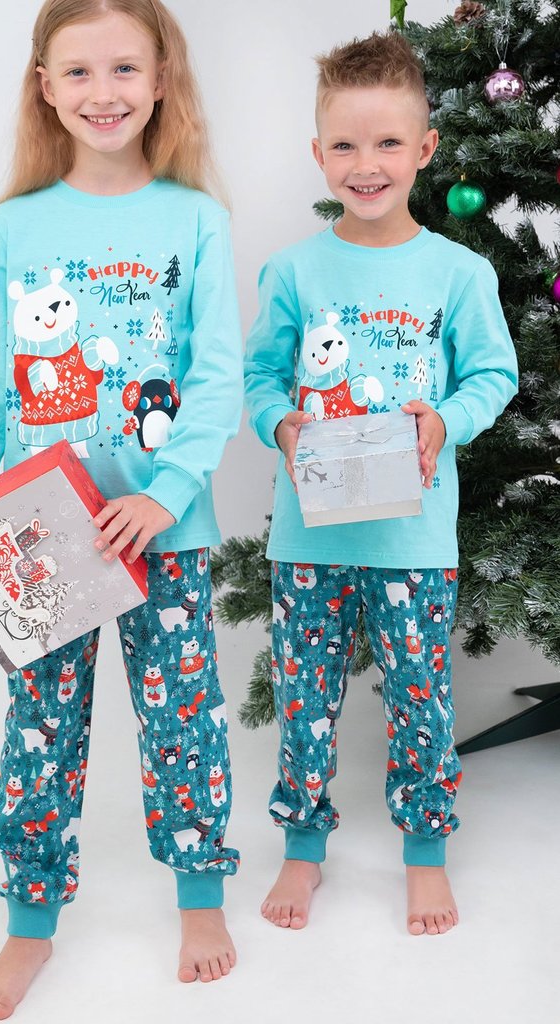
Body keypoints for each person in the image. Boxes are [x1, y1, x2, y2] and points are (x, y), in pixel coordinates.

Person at [0, 1, 242, 1016]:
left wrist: (165, 494)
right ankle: (30, 922)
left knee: (182, 720)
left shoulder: (196, 218)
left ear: (160, 82)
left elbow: (217, 379)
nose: (102, 92)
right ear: (45, 86)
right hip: (40, 532)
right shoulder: (15, 225)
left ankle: (201, 899)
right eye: (78, 71)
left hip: (164, 530)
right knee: (41, 727)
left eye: (124, 69)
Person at [244, 30, 518, 938]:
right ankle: (303, 845)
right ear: (318, 154)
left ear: (426, 148)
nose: (367, 165)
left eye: (389, 142)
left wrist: (447, 420)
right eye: (346, 145)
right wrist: (281, 423)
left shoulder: (459, 273)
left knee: (420, 701)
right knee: (303, 700)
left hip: (413, 538)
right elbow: (259, 377)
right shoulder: (294, 270)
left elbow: (493, 374)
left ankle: (426, 851)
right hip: (311, 537)